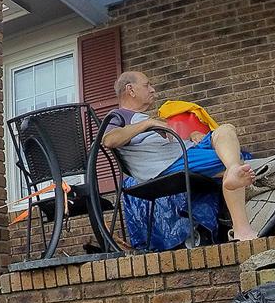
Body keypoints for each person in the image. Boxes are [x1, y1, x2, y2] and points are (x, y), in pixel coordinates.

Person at [102, 71, 257, 243]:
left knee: (225, 130)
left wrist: (192, 136)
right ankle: (242, 229)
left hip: (185, 151)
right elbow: (109, 140)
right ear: (130, 90)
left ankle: (234, 170)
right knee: (231, 161)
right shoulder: (119, 116)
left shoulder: (140, 118)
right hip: (167, 164)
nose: (153, 90)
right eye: (147, 85)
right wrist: (148, 123)